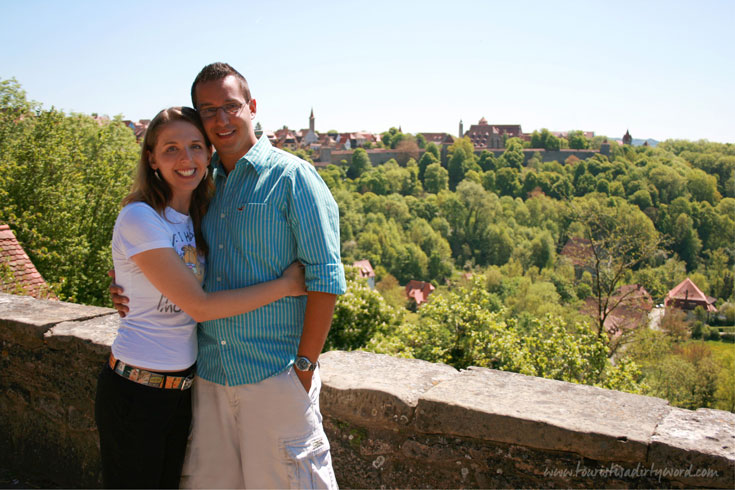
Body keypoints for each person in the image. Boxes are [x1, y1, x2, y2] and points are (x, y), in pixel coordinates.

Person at [111, 63, 346, 489]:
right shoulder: (204, 184)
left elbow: (326, 280)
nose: (220, 119)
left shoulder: (293, 178)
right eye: (208, 110)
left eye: (230, 106)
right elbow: (166, 250)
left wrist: (305, 369)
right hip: (210, 376)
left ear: (252, 107)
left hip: (273, 374)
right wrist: (125, 283)